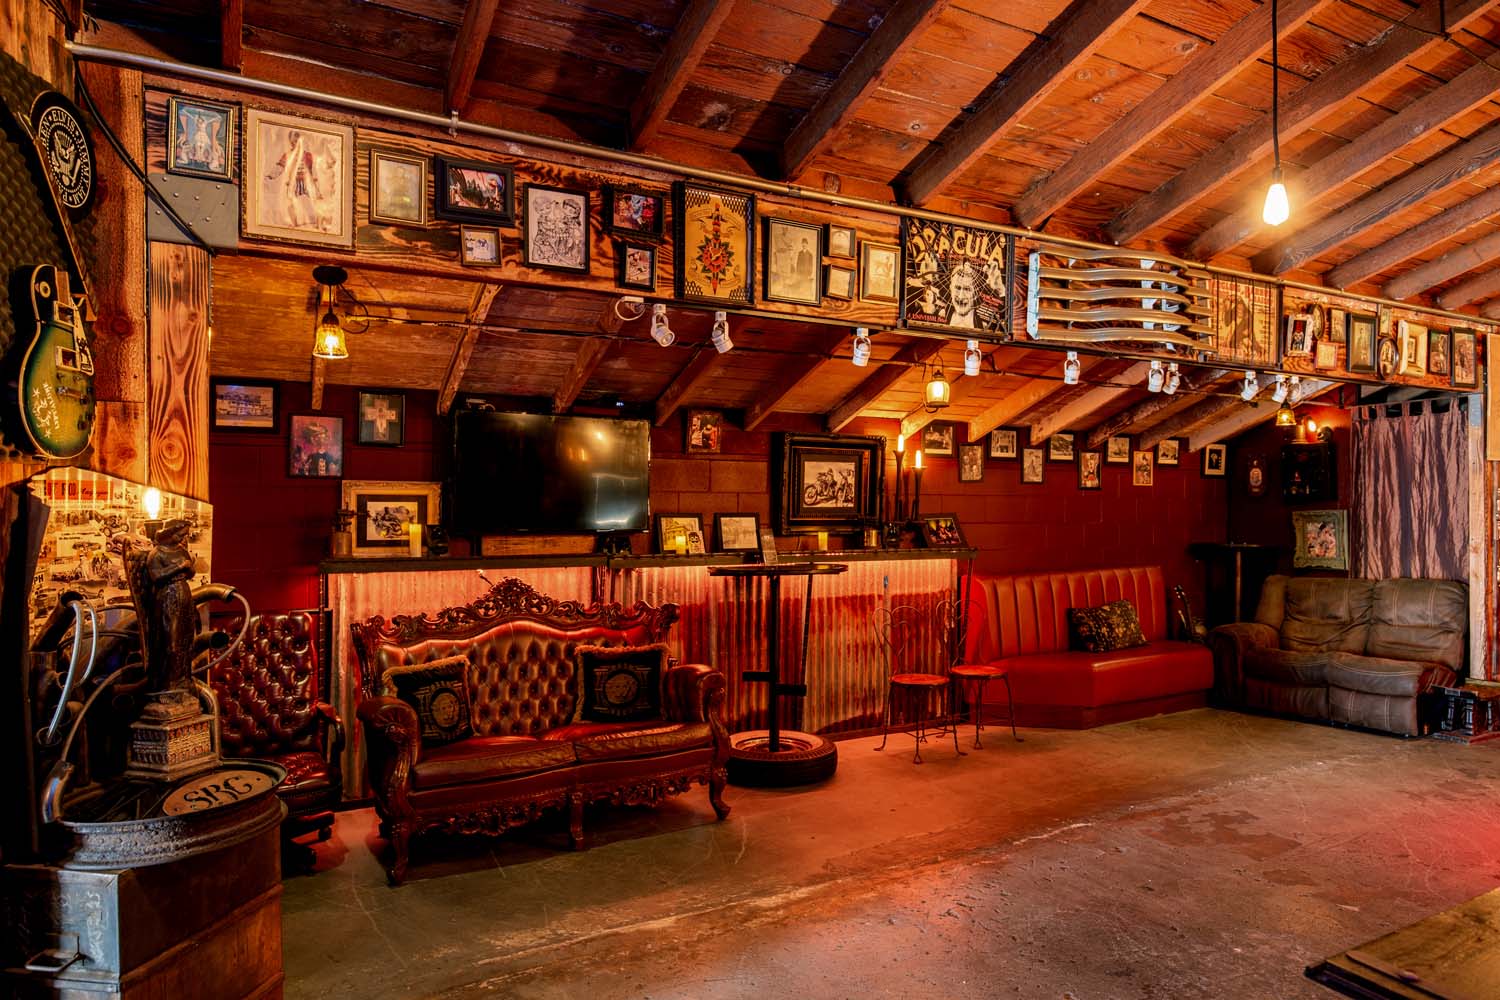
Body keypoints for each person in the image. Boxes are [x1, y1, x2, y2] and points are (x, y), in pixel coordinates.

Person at [949, 264, 978, 329]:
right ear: (950, 288)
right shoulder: (940, 313)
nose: (961, 296)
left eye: (967, 289)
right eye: (957, 288)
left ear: (975, 293)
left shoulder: (985, 322)